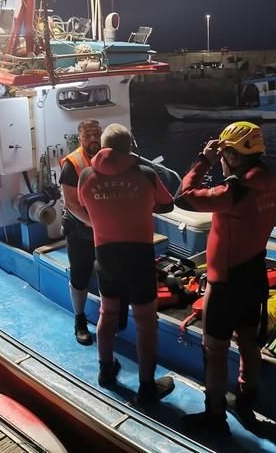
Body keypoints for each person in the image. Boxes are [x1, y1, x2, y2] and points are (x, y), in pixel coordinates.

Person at [176, 121, 276, 434]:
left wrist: (202, 160)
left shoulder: (235, 190)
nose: (220, 160)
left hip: (226, 284)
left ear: (233, 157)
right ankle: (247, 400)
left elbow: (184, 196)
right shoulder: (268, 180)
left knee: (215, 349)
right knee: (249, 342)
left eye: (223, 154)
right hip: (254, 275)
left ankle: (215, 415)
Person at [77, 123, 176, 403]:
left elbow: (85, 206)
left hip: (106, 256)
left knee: (107, 315)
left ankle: (106, 371)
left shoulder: (86, 176)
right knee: (146, 321)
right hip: (139, 256)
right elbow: (167, 204)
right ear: (128, 147)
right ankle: (147, 387)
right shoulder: (145, 174)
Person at [59, 119, 102, 345]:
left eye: (96, 134)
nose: (93, 139)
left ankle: (110, 317)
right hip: (79, 230)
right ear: (80, 138)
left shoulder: (107, 157)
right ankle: (80, 320)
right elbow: (71, 204)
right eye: (88, 135)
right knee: (80, 276)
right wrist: (95, 225)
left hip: (104, 227)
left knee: (109, 272)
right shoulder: (72, 164)